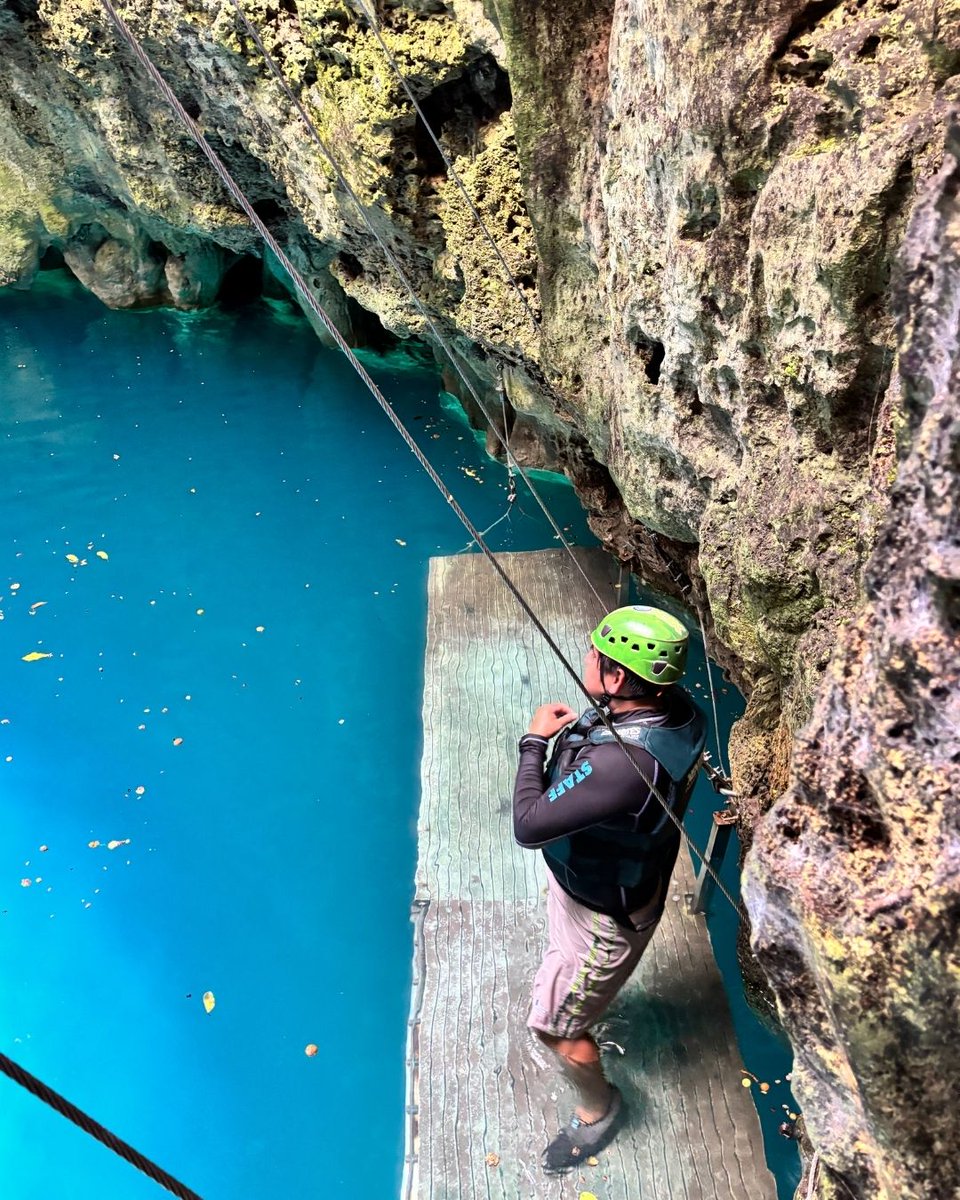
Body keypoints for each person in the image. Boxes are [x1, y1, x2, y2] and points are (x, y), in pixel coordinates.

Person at [513, 604, 707, 1173]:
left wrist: (533, 743)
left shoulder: (622, 766)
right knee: (567, 976)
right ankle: (581, 998)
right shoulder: (678, 714)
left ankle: (599, 1110)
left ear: (618, 678)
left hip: (602, 919)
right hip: (605, 887)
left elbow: (528, 823)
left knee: (554, 1029)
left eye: (596, 654)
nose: (587, 656)